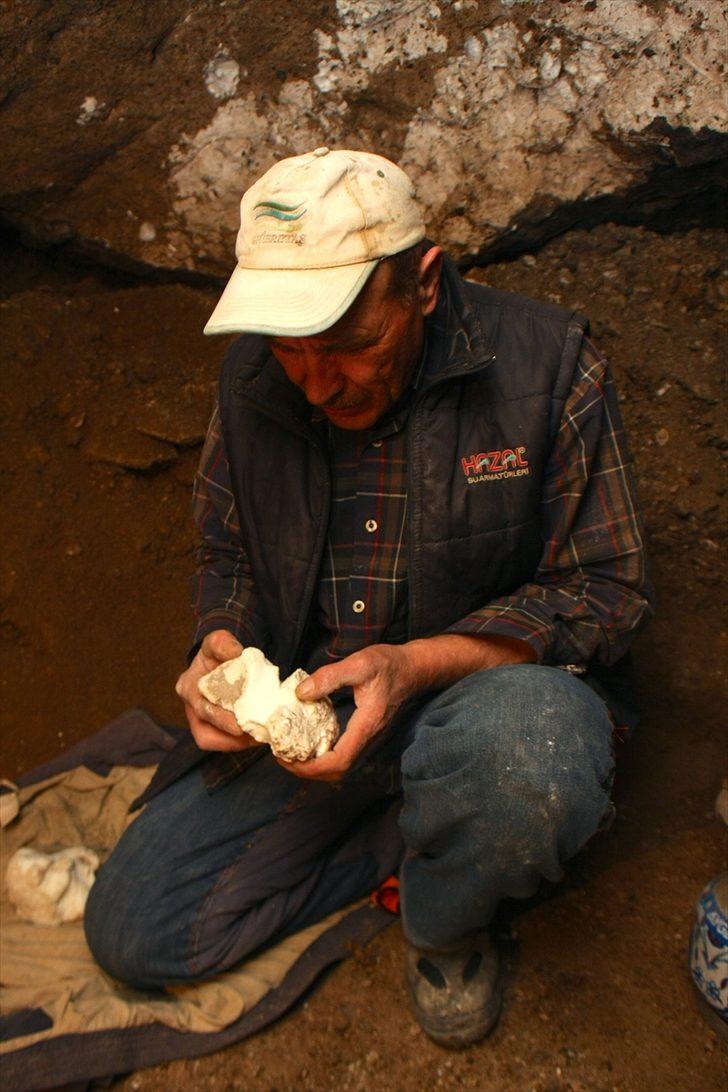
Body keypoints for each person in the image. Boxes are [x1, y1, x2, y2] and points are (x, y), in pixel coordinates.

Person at [84, 147, 653, 1047]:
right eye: (290, 348)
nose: (315, 381)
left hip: (479, 709)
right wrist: (220, 651)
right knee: (133, 930)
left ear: (422, 284)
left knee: (531, 762)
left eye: (350, 343)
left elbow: (607, 591)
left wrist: (412, 665)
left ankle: (445, 918)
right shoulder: (255, 381)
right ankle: (412, 833)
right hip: (323, 708)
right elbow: (229, 546)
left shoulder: (552, 368)